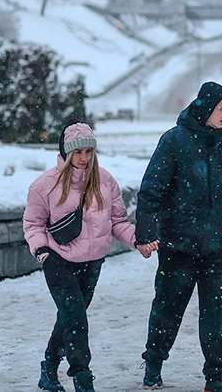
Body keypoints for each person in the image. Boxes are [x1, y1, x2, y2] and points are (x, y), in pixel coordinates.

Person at [136, 82, 222, 392]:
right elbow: (151, 191)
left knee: (216, 311)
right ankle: (155, 361)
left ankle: (218, 377)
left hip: (217, 244)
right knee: (168, 307)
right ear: (205, 108)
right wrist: (146, 233)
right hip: (178, 245)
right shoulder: (174, 141)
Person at [24, 122, 140, 392]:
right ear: (66, 153)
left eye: (89, 151)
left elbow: (118, 221)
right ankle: (82, 377)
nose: (84, 158)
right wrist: (43, 253)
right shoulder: (43, 186)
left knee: (69, 318)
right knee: (76, 318)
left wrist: (137, 240)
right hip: (58, 261)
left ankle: (49, 367)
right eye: (78, 152)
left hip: (92, 262)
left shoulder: (105, 181)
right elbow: (33, 225)